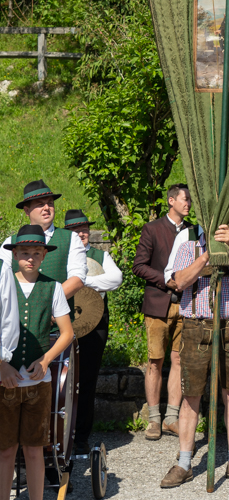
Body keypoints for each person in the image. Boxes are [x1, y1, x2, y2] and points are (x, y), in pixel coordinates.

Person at [159, 223, 229, 487]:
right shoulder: (189, 246)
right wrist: (207, 254)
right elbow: (180, 281)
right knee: (191, 396)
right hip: (196, 327)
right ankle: (184, 463)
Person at [0, 226, 74, 500]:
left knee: (34, 450)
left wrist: (46, 360)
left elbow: (67, 333)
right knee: (5, 450)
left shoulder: (53, 288)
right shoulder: (3, 283)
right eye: (24, 253)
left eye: (35, 253)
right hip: (4, 380)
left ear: (44, 255)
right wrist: (1, 365)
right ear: (14, 254)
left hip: (38, 382)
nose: (30, 258)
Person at [133, 183, 192, 440]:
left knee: (179, 360)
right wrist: (165, 280)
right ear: (171, 201)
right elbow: (139, 266)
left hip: (186, 304)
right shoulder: (153, 228)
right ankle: (154, 419)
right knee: (155, 361)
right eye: (184, 199)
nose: (188, 203)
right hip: (158, 303)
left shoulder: (193, 231)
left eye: (189, 200)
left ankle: (172, 418)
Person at [63, 210, 123, 456]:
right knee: (61, 380)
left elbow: (115, 279)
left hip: (95, 323)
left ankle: (80, 439)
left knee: (86, 381)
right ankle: (59, 436)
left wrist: (82, 282)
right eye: (76, 230)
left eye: (84, 228)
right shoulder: (60, 254)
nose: (81, 233)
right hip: (65, 321)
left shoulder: (101, 255)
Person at [0, 180, 87, 320]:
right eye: (40, 204)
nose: (47, 208)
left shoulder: (71, 238)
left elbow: (77, 279)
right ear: (27, 211)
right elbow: (2, 281)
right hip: (17, 324)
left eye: (50, 203)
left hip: (57, 325)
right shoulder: (11, 242)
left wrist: (46, 307)